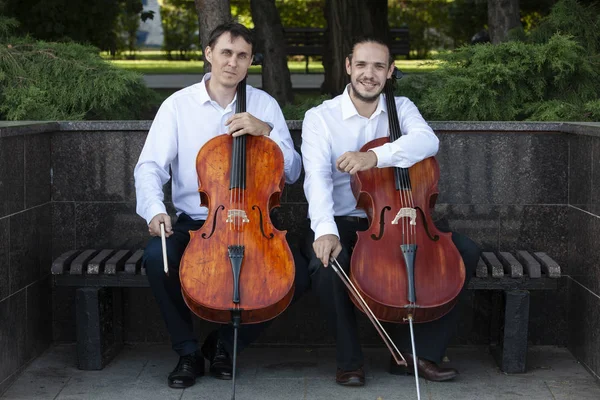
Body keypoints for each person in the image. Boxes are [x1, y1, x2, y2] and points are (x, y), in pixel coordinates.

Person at [134, 22, 308, 389]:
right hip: (198, 222)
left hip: (255, 221)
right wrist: (154, 210)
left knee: (299, 276)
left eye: (242, 55)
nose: (233, 62)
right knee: (156, 258)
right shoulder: (178, 106)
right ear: (209, 53)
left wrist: (269, 132)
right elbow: (149, 166)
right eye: (226, 53)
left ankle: (226, 344)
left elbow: (292, 172)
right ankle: (187, 352)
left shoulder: (265, 105)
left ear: (250, 62)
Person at [300, 37, 481, 387]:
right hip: (342, 220)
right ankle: (349, 361)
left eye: (379, 66)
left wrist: (373, 157)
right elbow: (317, 178)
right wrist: (325, 230)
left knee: (465, 254)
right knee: (325, 268)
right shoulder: (321, 117)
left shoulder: (402, 108)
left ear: (390, 72)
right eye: (363, 65)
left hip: (401, 217)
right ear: (349, 66)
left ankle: (417, 354)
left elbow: (428, 142)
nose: (370, 74)